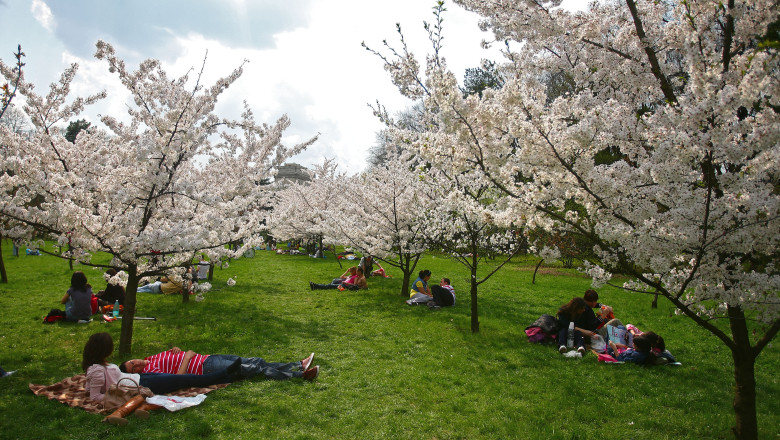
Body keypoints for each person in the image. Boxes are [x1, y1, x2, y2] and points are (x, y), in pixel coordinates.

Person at [82, 333, 241, 425]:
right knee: (184, 380)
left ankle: (227, 375)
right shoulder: (96, 370)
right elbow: (94, 395)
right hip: (142, 385)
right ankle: (222, 375)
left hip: (142, 378)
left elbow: (90, 388)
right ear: (105, 349)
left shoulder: (100, 365)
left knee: (179, 379)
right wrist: (117, 393)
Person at [120, 347, 319, 381]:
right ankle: (300, 375)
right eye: (134, 369)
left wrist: (177, 351)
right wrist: (187, 358)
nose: (137, 365)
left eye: (132, 363)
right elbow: (176, 379)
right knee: (253, 369)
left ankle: (297, 364)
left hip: (207, 358)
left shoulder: (152, 358)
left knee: (255, 361)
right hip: (203, 367)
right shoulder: (150, 370)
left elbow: (174, 357)